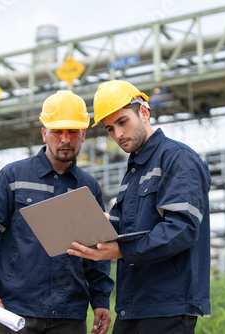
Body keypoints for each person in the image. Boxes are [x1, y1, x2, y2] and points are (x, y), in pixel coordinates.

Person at [67, 80, 211, 334]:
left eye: (123, 122)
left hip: (168, 306)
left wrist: (120, 250)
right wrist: (98, 223)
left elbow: (182, 229)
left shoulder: (178, 158)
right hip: (134, 304)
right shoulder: (136, 169)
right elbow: (129, 225)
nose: (118, 134)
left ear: (144, 112)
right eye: (110, 128)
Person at [0, 90, 114, 334]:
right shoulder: (13, 178)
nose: (65, 139)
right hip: (18, 312)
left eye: (73, 131)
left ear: (83, 134)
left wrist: (100, 300)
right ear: (44, 133)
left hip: (70, 315)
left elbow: (96, 250)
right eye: (57, 131)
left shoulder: (89, 187)